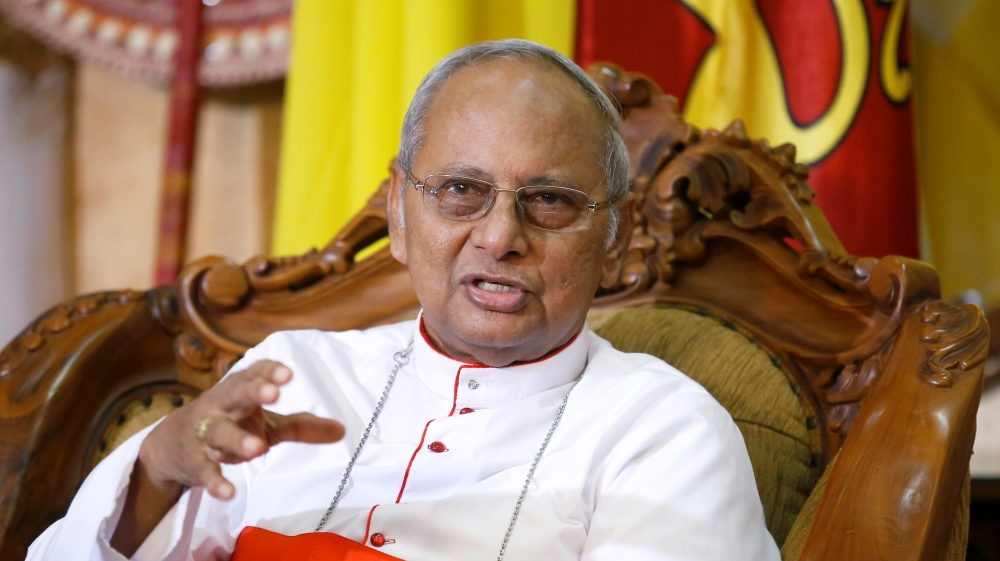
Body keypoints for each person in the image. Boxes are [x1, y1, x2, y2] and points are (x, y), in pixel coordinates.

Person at [27, 39, 780, 561]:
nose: (499, 237)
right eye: (460, 190)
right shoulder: (294, 373)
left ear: (615, 238)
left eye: (549, 200)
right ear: (397, 213)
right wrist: (157, 468)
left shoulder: (665, 434)